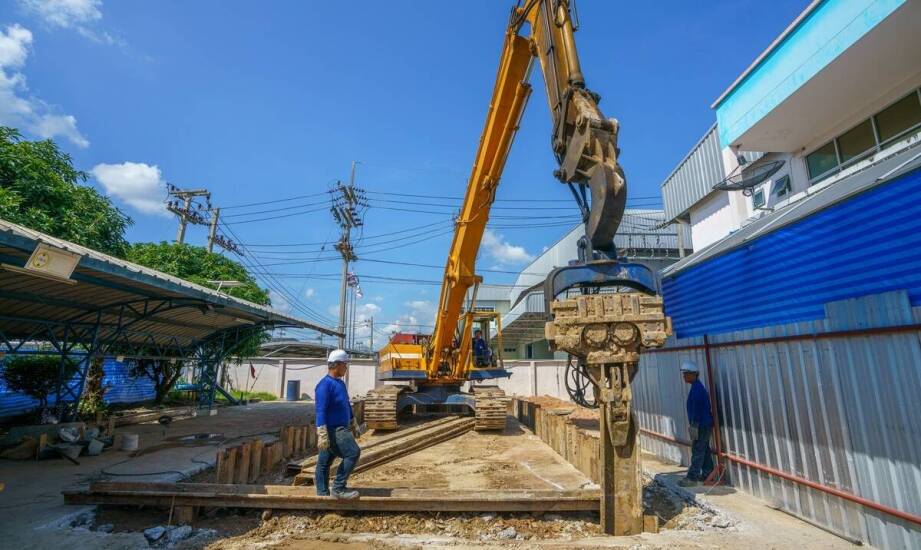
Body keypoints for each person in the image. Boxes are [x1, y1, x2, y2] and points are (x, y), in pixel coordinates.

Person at [314, 349, 361, 499]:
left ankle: (322, 495)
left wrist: (353, 421)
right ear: (337, 365)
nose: (346, 368)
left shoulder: (340, 384)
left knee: (324, 463)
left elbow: (346, 404)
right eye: (345, 365)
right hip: (333, 430)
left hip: (341, 426)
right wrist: (322, 433)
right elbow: (320, 410)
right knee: (353, 453)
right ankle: (338, 488)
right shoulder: (324, 385)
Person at [679, 360, 714, 487]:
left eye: (686, 374)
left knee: (698, 450)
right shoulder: (696, 387)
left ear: (693, 374)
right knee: (704, 449)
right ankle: (707, 474)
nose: (684, 377)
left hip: (701, 425)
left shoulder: (698, 389)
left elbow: (698, 409)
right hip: (701, 424)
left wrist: (695, 425)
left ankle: (692, 478)